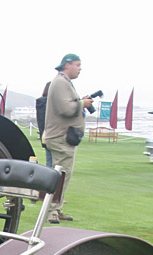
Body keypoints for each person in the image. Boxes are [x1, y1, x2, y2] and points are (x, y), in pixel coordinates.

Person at [42, 53, 96, 223]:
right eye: (78, 65)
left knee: (62, 174)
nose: (80, 69)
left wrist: (80, 102)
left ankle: (56, 209)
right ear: (68, 65)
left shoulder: (62, 82)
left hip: (61, 136)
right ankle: (52, 211)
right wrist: (82, 104)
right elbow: (65, 108)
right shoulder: (60, 82)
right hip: (60, 137)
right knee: (60, 175)